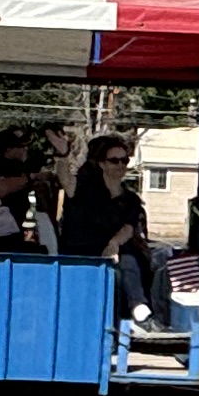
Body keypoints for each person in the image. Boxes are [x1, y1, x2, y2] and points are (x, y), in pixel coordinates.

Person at [56, 131, 168, 322]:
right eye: (114, 160)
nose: (120, 165)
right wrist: (63, 154)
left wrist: (114, 244)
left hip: (115, 250)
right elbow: (66, 179)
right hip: (81, 249)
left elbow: (129, 227)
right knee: (124, 259)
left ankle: (138, 305)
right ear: (102, 163)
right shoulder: (85, 190)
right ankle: (134, 305)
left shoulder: (130, 198)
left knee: (131, 255)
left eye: (124, 160)